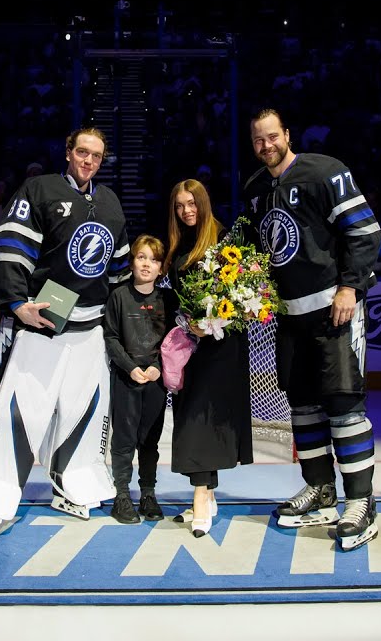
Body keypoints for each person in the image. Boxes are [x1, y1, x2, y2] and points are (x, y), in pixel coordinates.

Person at [0, 127, 131, 531]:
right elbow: (8, 249)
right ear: (68, 151)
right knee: (22, 410)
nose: (89, 161)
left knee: (85, 412)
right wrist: (17, 303)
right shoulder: (40, 189)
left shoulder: (109, 201)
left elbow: (119, 267)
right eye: (83, 152)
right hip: (45, 322)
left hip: (92, 327)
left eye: (97, 156)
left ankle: (73, 484)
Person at [242, 108, 381, 552]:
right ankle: (321, 491)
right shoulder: (256, 190)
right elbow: (256, 255)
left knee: (342, 405)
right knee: (301, 407)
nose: (266, 146)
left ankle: (361, 502)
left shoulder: (325, 171)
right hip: (288, 317)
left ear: (287, 134)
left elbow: (364, 231)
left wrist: (350, 288)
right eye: (258, 141)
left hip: (333, 311)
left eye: (272, 137)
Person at [162, 179, 253, 538]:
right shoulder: (178, 244)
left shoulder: (226, 240)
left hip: (220, 350)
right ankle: (208, 496)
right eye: (179, 205)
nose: (186, 211)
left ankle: (201, 498)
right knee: (190, 420)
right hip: (190, 348)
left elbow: (245, 299)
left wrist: (214, 321)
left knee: (202, 423)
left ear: (204, 202)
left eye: (192, 204)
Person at [102, 234, 169, 524]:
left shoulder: (169, 299)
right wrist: (130, 367)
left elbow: (172, 340)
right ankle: (121, 496)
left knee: (149, 441)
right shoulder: (118, 296)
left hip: (155, 380)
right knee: (125, 440)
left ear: (161, 268)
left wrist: (157, 366)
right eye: (142, 257)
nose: (147, 264)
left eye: (154, 260)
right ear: (132, 262)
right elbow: (111, 337)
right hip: (126, 379)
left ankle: (148, 494)